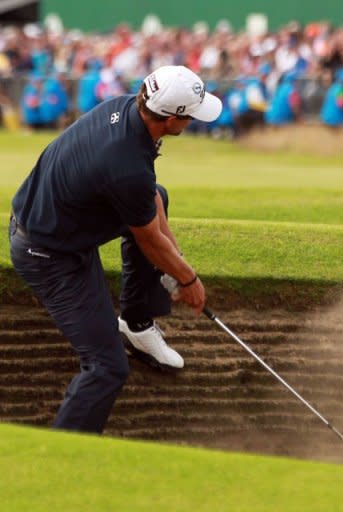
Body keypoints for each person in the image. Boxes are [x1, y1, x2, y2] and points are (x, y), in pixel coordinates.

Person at [9, 65, 222, 434]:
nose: (192, 122)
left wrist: (176, 257)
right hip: (47, 254)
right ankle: (62, 453)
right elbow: (148, 238)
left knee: (160, 202)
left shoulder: (128, 110)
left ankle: (137, 324)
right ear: (172, 118)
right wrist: (188, 280)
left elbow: (151, 198)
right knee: (107, 367)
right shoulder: (126, 165)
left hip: (56, 221)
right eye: (190, 115)